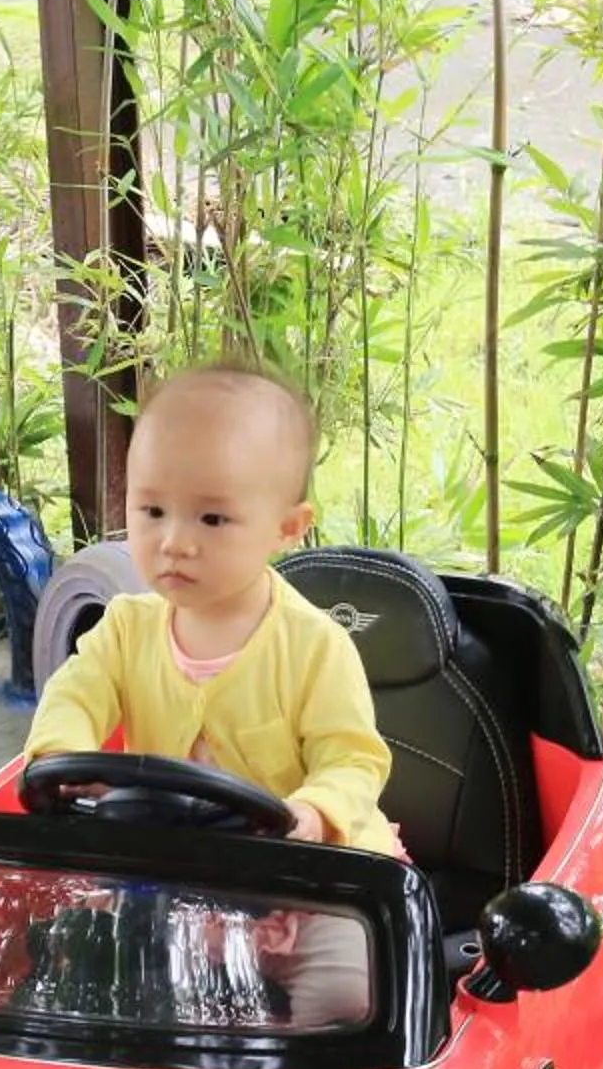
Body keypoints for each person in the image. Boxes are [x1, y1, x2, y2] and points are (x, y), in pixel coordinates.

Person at [22, 365, 397, 1025]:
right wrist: (63, 754)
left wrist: (312, 812)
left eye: (213, 517)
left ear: (287, 528)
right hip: (178, 876)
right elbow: (72, 699)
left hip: (310, 881)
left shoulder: (313, 645)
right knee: (74, 972)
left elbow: (354, 761)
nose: (174, 542)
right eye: (152, 510)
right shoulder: (124, 631)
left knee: (350, 999)